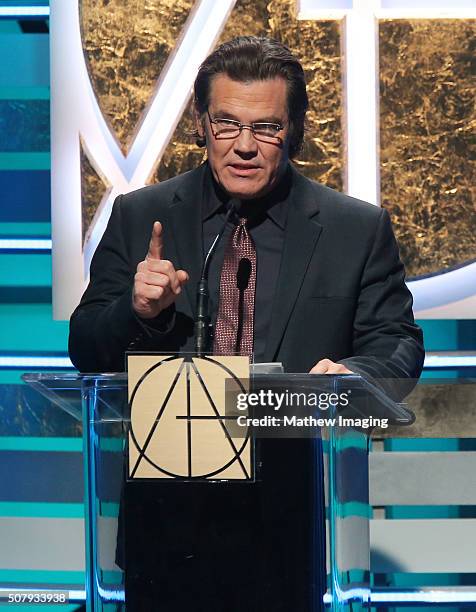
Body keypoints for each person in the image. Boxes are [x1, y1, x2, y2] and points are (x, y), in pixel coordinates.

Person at [69, 36, 424, 611]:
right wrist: (136, 313)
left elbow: (399, 345)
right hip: (166, 526)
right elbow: (84, 347)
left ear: (295, 132)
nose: (243, 147)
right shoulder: (141, 216)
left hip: (292, 526)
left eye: (265, 128)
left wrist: (350, 377)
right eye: (226, 124)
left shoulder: (354, 230)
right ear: (200, 125)